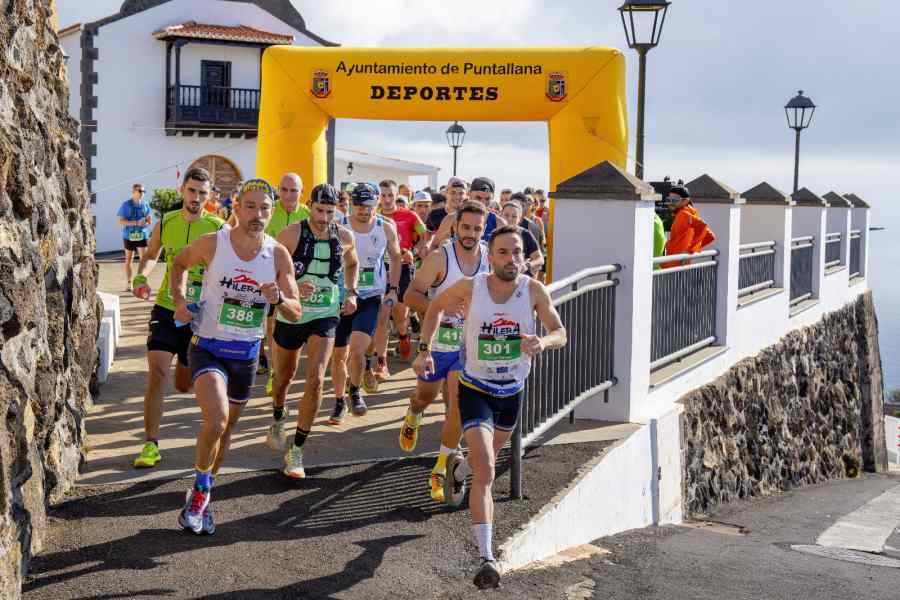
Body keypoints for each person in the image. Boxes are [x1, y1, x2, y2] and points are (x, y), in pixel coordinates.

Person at [412, 226, 567, 589]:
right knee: (487, 468)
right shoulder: (473, 286)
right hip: (475, 388)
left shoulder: (532, 290)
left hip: (511, 390)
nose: (511, 259)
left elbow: (561, 331)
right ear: (491, 255)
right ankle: (487, 557)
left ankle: (457, 471)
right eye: (503, 252)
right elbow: (434, 306)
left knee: (483, 462)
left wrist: (543, 342)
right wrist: (424, 350)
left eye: (516, 253)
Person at [170, 178, 302, 534]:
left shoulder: (277, 254)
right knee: (216, 420)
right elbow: (179, 264)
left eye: (264, 208)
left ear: (272, 212)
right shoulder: (215, 243)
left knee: (225, 433)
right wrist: (181, 302)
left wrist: (277, 299)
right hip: (209, 346)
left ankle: (205, 494)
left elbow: (296, 311)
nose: (257, 214)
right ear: (236, 207)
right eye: (250, 207)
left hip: (245, 355)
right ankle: (198, 493)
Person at [131, 168, 225, 468]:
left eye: (202, 193)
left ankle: (186, 367)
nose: (196, 198)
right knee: (157, 373)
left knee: (184, 384)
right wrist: (140, 278)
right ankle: (150, 444)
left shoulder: (217, 228)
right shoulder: (167, 221)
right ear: (181, 190)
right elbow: (150, 256)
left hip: (200, 316)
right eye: (192, 191)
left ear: (209, 197)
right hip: (166, 306)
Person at [267, 184, 359, 479]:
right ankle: (279, 414)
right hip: (293, 313)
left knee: (317, 378)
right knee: (283, 377)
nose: (323, 217)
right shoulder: (291, 234)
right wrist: (291, 286)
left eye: (330, 212)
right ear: (310, 206)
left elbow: (353, 263)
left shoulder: (344, 236)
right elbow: (271, 272)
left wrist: (352, 292)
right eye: (319, 211)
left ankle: (297, 448)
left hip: (326, 313)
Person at [399, 202, 490, 502]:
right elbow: (411, 295)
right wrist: (439, 306)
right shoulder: (441, 257)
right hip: (436, 343)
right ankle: (413, 413)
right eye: (466, 227)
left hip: (467, 349)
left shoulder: (490, 258)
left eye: (477, 228)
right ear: (455, 227)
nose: (471, 234)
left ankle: (442, 467)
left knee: (457, 408)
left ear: (484, 228)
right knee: (425, 395)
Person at [328, 183, 402, 424]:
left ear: (376, 203)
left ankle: (355, 391)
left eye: (368, 206)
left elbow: (396, 257)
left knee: (358, 350)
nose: (363, 211)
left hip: (370, 295)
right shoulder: (339, 227)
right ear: (351, 204)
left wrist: (393, 288)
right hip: (340, 296)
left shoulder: (385, 227)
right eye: (358, 206)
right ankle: (339, 401)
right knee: (339, 354)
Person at [364, 179, 428, 387]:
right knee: (382, 315)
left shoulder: (409, 215)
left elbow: (424, 235)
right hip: (378, 270)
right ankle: (381, 363)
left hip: (402, 268)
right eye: (383, 196)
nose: (387, 199)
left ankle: (402, 335)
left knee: (400, 314)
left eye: (390, 195)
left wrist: (415, 251)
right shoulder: (370, 218)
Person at [261, 173, 309, 390]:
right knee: (271, 325)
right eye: (284, 190)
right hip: (269, 275)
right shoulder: (269, 211)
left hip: (298, 279)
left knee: (294, 325)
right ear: (278, 189)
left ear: (302, 191)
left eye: (294, 190)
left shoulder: (308, 215)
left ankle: (287, 369)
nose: (288, 195)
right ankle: (274, 370)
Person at [433, 176, 506, 246]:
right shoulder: (451, 219)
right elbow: (434, 246)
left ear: (493, 198)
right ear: (469, 195)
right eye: (478, 198)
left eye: (487, 199)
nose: (483, 202)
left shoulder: (499, 223)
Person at [663, 184, 716, 268]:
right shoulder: (690, 213)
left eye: (675, 200)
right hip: (682, 262)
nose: (671, 203)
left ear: (685, 201)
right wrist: (691, 249)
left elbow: (702, 226)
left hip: (675, 263)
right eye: (669, 200)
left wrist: (690, 249)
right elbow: (710, 236)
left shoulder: (683, 214)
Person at [117, 183, 152, 291]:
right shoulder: (126, 205)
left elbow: (149, 219)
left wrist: (146, 222)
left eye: (144, 191)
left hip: (142, 235)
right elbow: (119, 221)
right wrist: (136, 222)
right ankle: (129, 283)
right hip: (129, 235)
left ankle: (141, 282)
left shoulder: (145, 204)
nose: (142, 193)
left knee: (144, 260)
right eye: (140, 191)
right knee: (129, 259)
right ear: (134, 192)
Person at [500, 200, 544, 278]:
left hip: (520, 281)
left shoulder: (525, 234)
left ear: (519, 219)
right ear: (500, 215)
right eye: (506, 215)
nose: (509, 219)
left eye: (514, 216)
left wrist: (527, 265)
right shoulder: (494, 234)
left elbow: (540, 259)